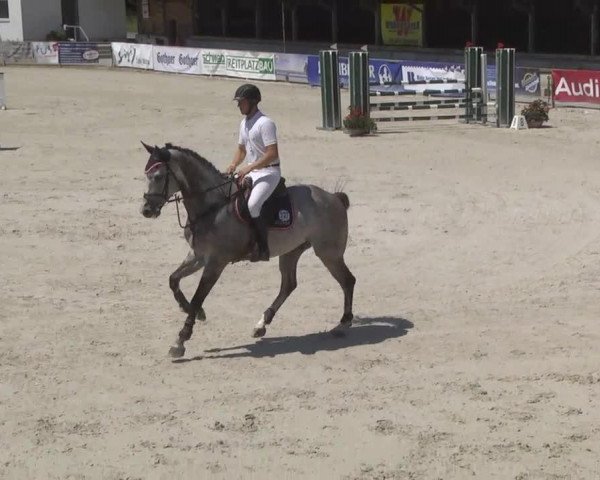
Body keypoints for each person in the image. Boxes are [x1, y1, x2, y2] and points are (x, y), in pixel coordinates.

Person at [226, 83, 281, 262]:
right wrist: (233, 164)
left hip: (269, 173)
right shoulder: (244, 123)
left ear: (252, 102)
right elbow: (242, 150)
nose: (238, 105)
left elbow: (272, 154)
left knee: (253, 205)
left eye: (241, 102)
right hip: (251, 171)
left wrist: (250, 167)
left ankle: (262, 247)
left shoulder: (265, 123)